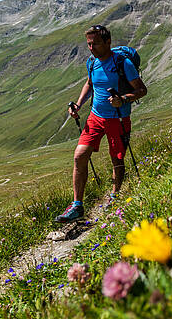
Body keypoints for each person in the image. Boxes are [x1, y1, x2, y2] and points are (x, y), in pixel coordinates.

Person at [55, 25, 147, 223]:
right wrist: (79, 104)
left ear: (108, 42)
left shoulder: (123, 63)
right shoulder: (92, 62)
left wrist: (122, 99)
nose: (91, 47)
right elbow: (90, 83)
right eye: (88, 43)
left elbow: (141, 90)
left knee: (117, 159)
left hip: (118, 117)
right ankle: (77, 205)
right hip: (95, 117)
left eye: (95, 43)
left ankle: (114, 196)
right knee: (80, 156)